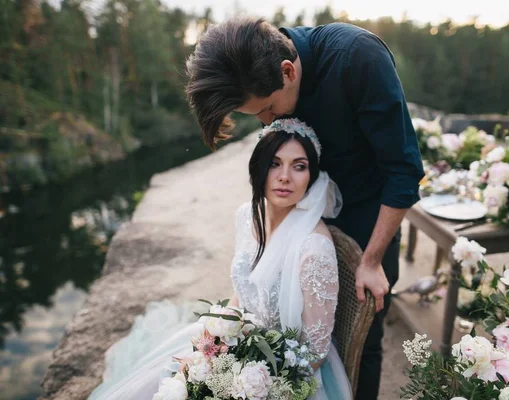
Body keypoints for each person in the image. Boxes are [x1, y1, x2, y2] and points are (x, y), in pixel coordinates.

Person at [185, 17, 425, 399]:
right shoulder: (259, 60)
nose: (268, 122)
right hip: (301, 207)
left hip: (367, 212)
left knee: (365, 333)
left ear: (288, 71)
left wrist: (372, 259)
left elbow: (404, 171)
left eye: (267, 109)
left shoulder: (358, 58)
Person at [89, 118, 352, 399]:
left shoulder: (314, 249)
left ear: (311, 176)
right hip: (240, 344)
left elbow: (315, 353)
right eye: (274, 163)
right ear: (258, 168)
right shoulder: (247, 215)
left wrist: (249, 382)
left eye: (299, 166)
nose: (285, 176)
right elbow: (242, 294)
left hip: (289, 372)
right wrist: (217, 340)